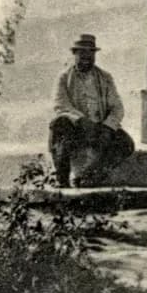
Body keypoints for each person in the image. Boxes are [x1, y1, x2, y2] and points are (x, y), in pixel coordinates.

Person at [48, 35, 134, 186]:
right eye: (82, 53)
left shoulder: (105, 77)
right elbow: (60, 104)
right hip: (77, 128)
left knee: (126, 143)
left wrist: (108, 127)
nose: (86, 57)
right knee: (59, 125)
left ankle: (90, 177)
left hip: (99, 128)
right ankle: (62, 180)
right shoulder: (64, 78)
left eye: (90, 53)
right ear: (75, 54)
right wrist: (81, 120)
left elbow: (117, 107)